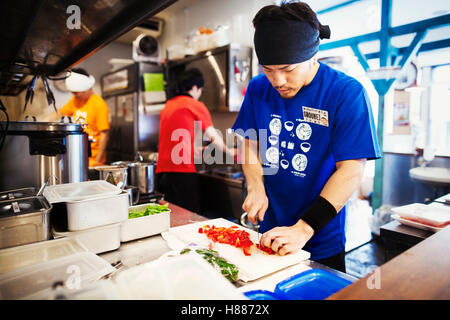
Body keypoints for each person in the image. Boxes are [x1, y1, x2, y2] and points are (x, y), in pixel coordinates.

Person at [232, 1, 381, 272]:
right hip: (269, 232)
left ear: (314, 55)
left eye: (288, 69)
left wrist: (304, 228)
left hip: (319, 236)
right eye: (268, 69)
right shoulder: (257, 88)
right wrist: (255, 187)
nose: (277, 81)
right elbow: (249, 144)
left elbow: (350, 170)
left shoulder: (345, 93)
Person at [156, 68, 235, 213]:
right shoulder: (195, 105)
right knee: (188, 217)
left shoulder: (168, 106)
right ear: (194, 88)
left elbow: (174, 142)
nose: (200, 95)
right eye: (201, 90)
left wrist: (195, 149)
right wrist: (231, 151)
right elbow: (213, 136)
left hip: (162, 172)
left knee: (170, 215)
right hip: (182, 172)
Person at [59, 68, 110, 167]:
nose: (73, 95)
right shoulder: (75, 100)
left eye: (75, 92)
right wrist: (43, 121)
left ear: (85, 89)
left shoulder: (99, 104)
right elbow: (60, 112)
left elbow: (104, 134)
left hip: (93, 160)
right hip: (77, 156)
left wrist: (98, 161)